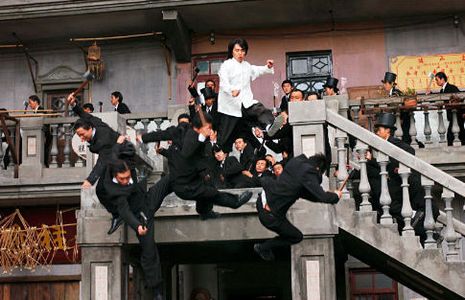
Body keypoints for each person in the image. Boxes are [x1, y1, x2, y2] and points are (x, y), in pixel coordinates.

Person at [139, 113, 253, 220]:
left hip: (188, 175)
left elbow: (162, 135)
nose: (210, 131)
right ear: (200, 128)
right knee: (211, 194)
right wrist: (144, 138)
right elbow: (186, 151)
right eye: (208, 128)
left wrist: (143, 138)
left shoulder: (189, 134)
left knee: (207, 191)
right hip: (184, 183)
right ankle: (235, 202)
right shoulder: (190, 136)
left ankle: (205, 212)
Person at [352, 113, 438, 242]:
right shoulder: (382, 145)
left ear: (387, 131)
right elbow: (381, 165)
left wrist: (399, 166)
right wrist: (370, 161)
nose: (377, 133)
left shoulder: (393, 142)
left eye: (379, 130)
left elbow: (410, 151)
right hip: (396, 183)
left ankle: (418, 219)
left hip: (406, 181)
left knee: (395, 205)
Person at [96, 157, 164, 299]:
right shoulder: (109, 186)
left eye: (128, 177)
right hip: (129, 211)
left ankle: (157, 288)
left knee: (149, 248)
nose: (126, 180)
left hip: (142, 204)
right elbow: (125, 211)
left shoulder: (130, 166)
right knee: (148, 247)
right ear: (115, 176)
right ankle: (116, 216)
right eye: (122, 179)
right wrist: (137, 226)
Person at [254, 153, 341, 261]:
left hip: (263, 200)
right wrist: (335, 196)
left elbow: (308, 194)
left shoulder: (296, 162)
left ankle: (264, 248)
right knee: (296, 236)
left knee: (291, 232)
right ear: (318, 168)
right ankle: (263, 247)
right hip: (270, 215)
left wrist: (330, 195)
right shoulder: (309, 171)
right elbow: (322, 196)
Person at [217, 37, 284, 152]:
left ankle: (269, 126)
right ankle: (220, 154)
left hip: (246, 102)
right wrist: (231, 90)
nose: (240, 53)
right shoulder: (226, 65)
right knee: (225, 137)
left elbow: (256, 70)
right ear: (232, 51)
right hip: (230, 107)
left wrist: (267, 67)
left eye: (243, 51)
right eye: (237, 50)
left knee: (259, 109)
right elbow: (223, 82)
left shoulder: (247, 65)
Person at [434, 72, 464, 145]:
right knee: (461, 133)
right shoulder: (442, 90)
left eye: (437, 80)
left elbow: (460, 99)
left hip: (458, 114)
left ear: (442, 79)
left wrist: (463, 112)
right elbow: (439, 100)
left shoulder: (452, 87)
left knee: (451, 135)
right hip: (452, 115)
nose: (436, 82)